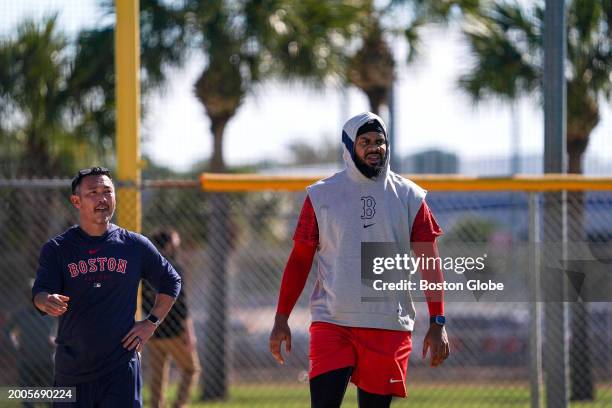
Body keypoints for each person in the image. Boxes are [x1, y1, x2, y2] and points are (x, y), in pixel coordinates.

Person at [269, 112, 450, 408]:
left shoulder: (410, 196)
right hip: (332, 322)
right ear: (349, 146)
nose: (374, 147)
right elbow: (300, 261)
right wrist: (281, 318)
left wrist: (438, 320)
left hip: (387, 325)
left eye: (379, 141)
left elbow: (429, 262)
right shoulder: (321, 195)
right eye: (365, 141)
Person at [31, 166, 182, 408]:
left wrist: (151, 322)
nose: (102, 199)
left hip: (120, 369)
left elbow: (171, 280)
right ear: (76, 200)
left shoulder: (134, 245)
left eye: (107, 191)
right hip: (72, 369)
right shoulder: (57, 249)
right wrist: (46, 300)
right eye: (93, 192)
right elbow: (39, 293)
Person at [142, 229, 200, 408]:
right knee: (192, 369)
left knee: (158, 376)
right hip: (174, 332)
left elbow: (144, 301)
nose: (178, 247)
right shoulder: (174, 267)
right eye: (175, 243)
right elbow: (181, 303)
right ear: (167, 246)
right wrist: (189, 332)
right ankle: (179, 405)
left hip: (152, 331)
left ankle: (156, 405)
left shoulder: (146, 268)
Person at [5, 280, 56, 408]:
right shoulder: (20, 314)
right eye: (29, 293)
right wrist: (16, 347)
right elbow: (7, 333)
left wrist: (54, 340)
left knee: (50, 397)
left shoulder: (51, 314)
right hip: (27, 361)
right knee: (28, 399)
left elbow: (60, 331)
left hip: (46, 360)